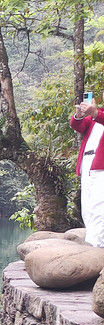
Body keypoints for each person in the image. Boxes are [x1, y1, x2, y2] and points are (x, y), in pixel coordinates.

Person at [71, 95, 104, 246]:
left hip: (101, 167)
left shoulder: (98, 115)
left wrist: (94, 113)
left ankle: (97, 245)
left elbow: (100, 118)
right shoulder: (95, 116)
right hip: (88, 165)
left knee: (100, 206)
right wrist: (79, 115)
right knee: (88, 207)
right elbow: (78, 125)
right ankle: (91, 242)